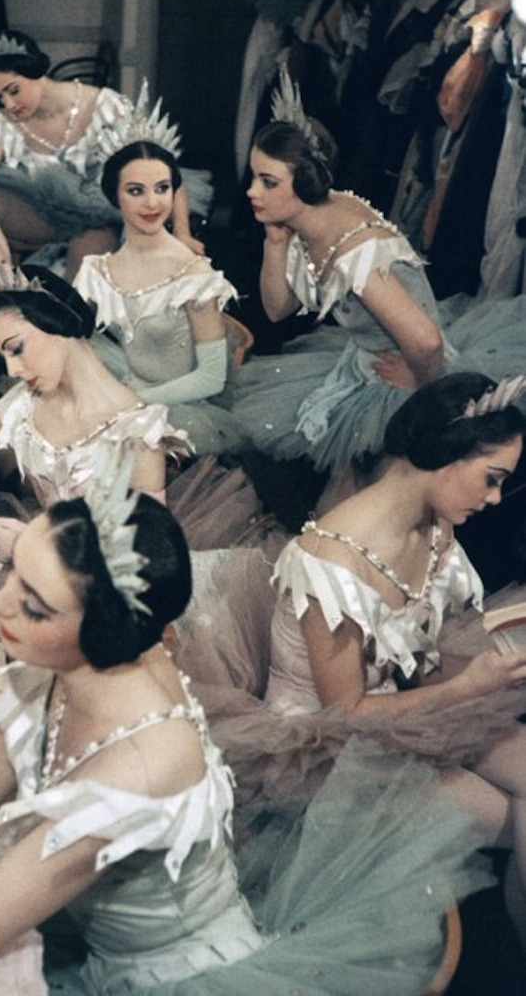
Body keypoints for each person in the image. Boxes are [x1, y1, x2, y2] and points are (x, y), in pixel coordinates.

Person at [0, 471, 492, 993]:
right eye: (13, 574)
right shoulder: (74, 667)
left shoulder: (139, 773)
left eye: (33, 604)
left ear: (101, 630)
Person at [178, 372, 526, 948]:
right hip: (322, 748)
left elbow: (419, 654)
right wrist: (468, 691)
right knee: (517, 821)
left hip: (408, 707)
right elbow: (346, 711)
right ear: (445, 453)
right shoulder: (330, 562)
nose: (494, 500)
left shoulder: (435, 523)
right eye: (492, 480)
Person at [232, 67, 526, 499]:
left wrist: (421, 385)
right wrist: (275, 243)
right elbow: (277, 309)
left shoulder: (356, 254)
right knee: (350, 491)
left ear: (305, 181)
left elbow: (425, 342)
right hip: (364, 361)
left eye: (268, 182)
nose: (252, 192)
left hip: (416, 371)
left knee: (380, 495)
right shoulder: (309, 219)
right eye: (255, 178)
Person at [0, 262, 185, 565]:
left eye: (17, 349)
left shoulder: (139, 435)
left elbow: (146, 562)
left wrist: (34, 547)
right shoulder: (27, 402)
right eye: (3, 356)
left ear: (59, 326)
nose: (12, 370)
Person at [0, 25, 205, 281]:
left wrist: (182, 232)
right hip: (43, 217)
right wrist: (3, 267)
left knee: (82, 274)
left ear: (36, 72)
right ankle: (5, 287)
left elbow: (162, 168)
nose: (9, 104)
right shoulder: (6, 122)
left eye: (13, 90)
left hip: (98, 218)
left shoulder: (105, 106)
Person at [74, 134, 250, 457]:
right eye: (136, 191)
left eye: (162, 188)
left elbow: (212, 378)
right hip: (127, 386)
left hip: (178, 409)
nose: (153, 203)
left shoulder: (193, 275)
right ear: (115, 195)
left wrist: (135, 401)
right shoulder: (100, 270)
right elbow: (59, 327)